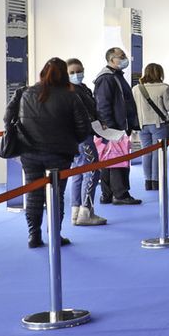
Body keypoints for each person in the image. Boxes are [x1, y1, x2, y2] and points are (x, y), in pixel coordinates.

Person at [10, 57, 92, 249]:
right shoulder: (71, 96)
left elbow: (11, 118)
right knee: (56, 195)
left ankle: (33, 235)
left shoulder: (27, 93)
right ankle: (54, 234)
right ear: (64, 74)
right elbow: (83, 127)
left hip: (29, 152)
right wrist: (71, 140)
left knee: (33, 195)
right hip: (59, 153)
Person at [93, 46, 141, 206]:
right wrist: (111, 129)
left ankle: (107, 194)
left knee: (109, 160)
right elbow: (103, 104)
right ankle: (120, 194)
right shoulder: (107, 78)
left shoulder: (116, 76)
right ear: (112, 59)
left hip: (117, 126)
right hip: (114, 128)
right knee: (118, 161)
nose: (125, 58)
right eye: (121, 56)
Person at [65, 58, 107, 228]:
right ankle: (86, 211)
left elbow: (91, 110)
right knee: (92, 171)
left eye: (79, 71)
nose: (76, 75)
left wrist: (99, 122)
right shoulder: (67, 91)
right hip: (81, 137)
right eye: (72, 72)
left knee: (78, 173)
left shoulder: (83, 88)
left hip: (84, 134)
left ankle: (76, 211)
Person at [133, 63, 169, 193]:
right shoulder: (164, 87)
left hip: (142, 125)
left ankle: (148, 181)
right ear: (160, 73)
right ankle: (156, 181)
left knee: (146, 153)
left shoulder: (136, 89)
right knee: (158, 153)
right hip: (158, 124)